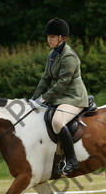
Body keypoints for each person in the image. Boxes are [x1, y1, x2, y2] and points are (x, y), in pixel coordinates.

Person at [29, 17, 89, 175]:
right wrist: (33, 99)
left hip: (74, 97)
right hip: (60, 97)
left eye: (53, 36)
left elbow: (62, 83)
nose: (49, 39)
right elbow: (45, 79)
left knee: (57, 121)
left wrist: (43, 99)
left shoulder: (69, 57)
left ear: (63, 38)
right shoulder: (52, 55)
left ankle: (72, 160)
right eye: (48, 36)